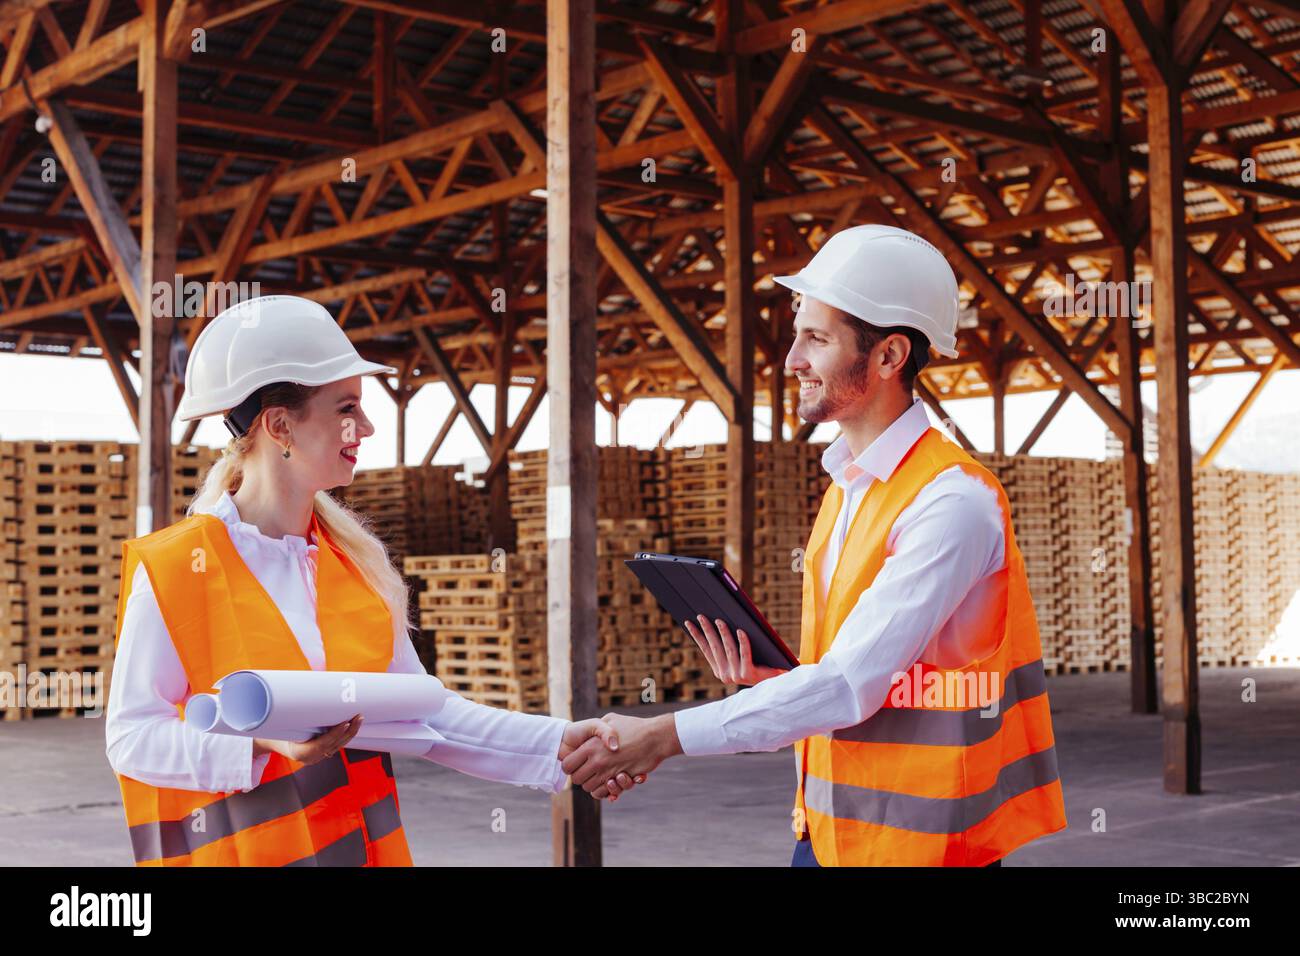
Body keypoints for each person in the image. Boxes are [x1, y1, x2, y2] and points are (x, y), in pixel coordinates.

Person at [565, 224, 1068, 867]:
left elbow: (850, 685)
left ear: (888, 357)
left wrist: (662, 736)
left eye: (816, 339)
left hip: (921, 849)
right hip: (829, 834)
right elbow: (853, 675)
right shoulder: (849, 487)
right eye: (797, 334)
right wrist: (780, 681)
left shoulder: (952, 502)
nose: (791, 360)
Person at [106, 294, 639, 867]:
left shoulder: (349, 565)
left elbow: (423, 714)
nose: (366, 426)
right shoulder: (178, 568)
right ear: (280, 425)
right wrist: (260, 746)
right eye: (347, 408)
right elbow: (132, 738)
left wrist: (560, 744)